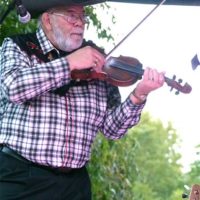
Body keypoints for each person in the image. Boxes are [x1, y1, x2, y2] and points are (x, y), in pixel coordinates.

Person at [0, 3, 165, 200]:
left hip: (75, 185)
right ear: (47, 20)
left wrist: (139, 95)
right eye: (71, 16)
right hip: (21, 177)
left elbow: (112, 129)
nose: (80, 23)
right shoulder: (19, 46)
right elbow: (13, 87)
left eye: (82, 17)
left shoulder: (96, 58)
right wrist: (69, 63)